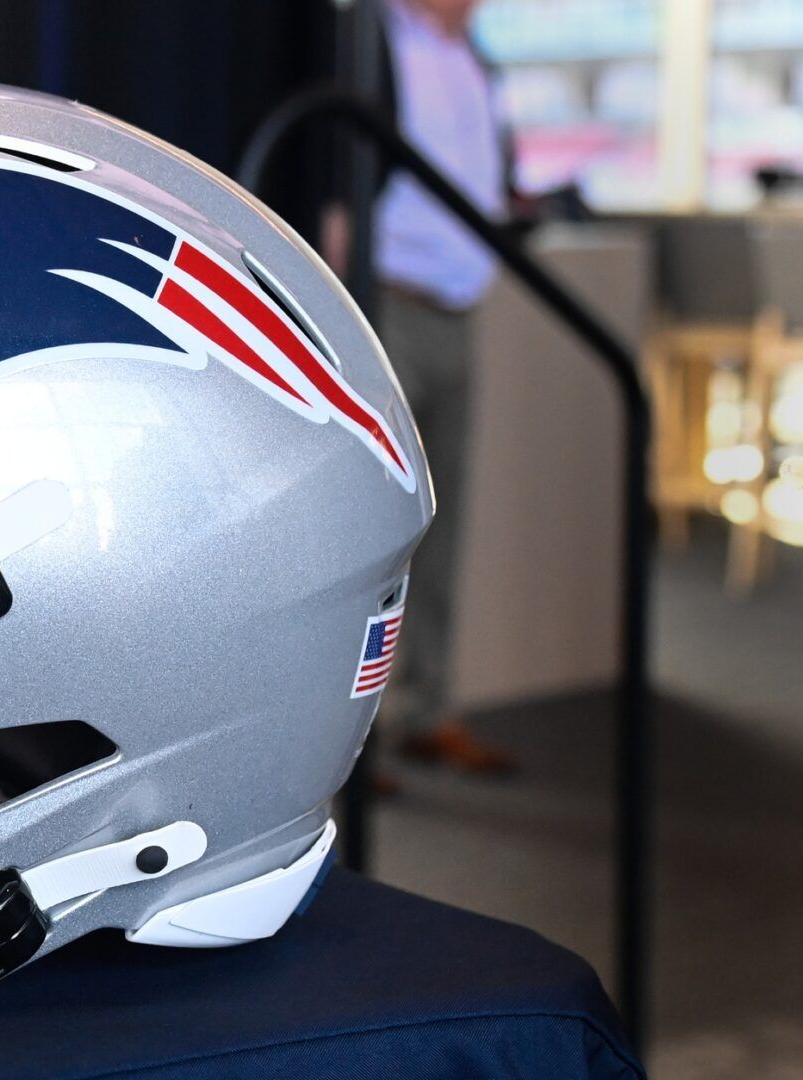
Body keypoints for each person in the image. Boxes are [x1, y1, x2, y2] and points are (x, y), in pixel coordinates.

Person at [355, 0, 517, 774]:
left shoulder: (476, 57)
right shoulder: (378, 37)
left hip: (459, 307)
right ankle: (354, 741)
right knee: (374, 530)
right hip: (386, 300)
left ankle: (429, 709)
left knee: (443, 524)